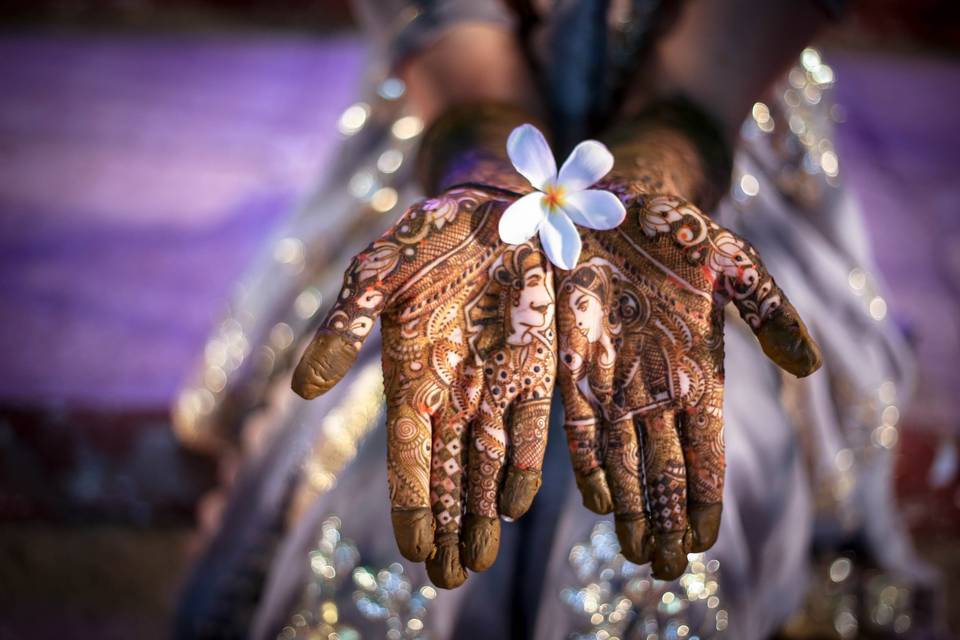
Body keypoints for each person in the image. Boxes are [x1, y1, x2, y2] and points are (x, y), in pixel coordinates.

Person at [174, 1, 937, 638]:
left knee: (646, 512)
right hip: (456, 154)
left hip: (719, 163)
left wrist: (654, 191)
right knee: (398, 472)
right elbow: (451, 41)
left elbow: (710, 75)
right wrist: (481, 187)